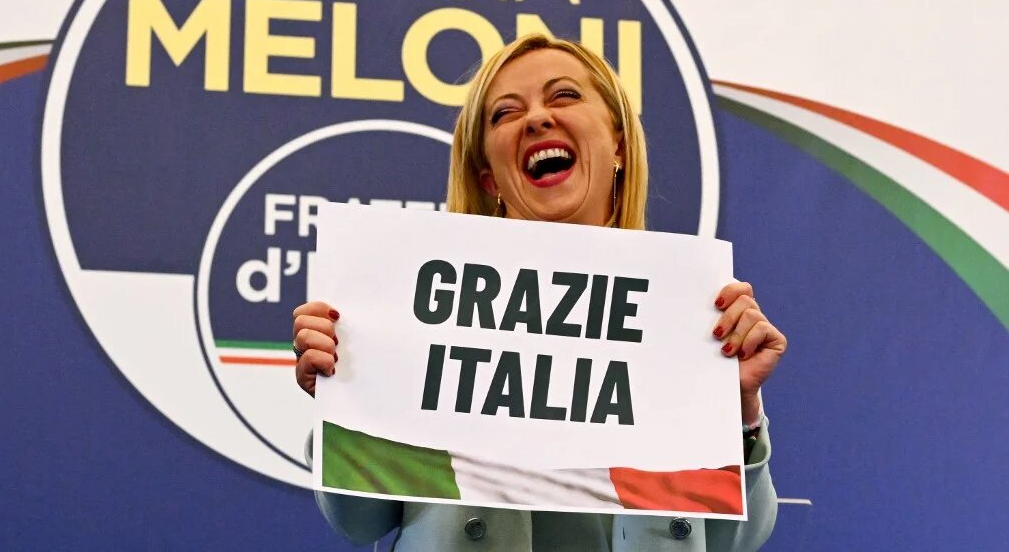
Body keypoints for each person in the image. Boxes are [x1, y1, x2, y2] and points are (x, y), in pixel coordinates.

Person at [293, 34, 788, 551]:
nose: (536, 119)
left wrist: (738, 412)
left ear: (617, 142)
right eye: (505, 113)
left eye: (565, 96)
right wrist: (345, 396)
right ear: (489, 179)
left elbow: (737, 541)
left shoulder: (686, 314)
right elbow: (360, 521)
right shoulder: (421, 309)